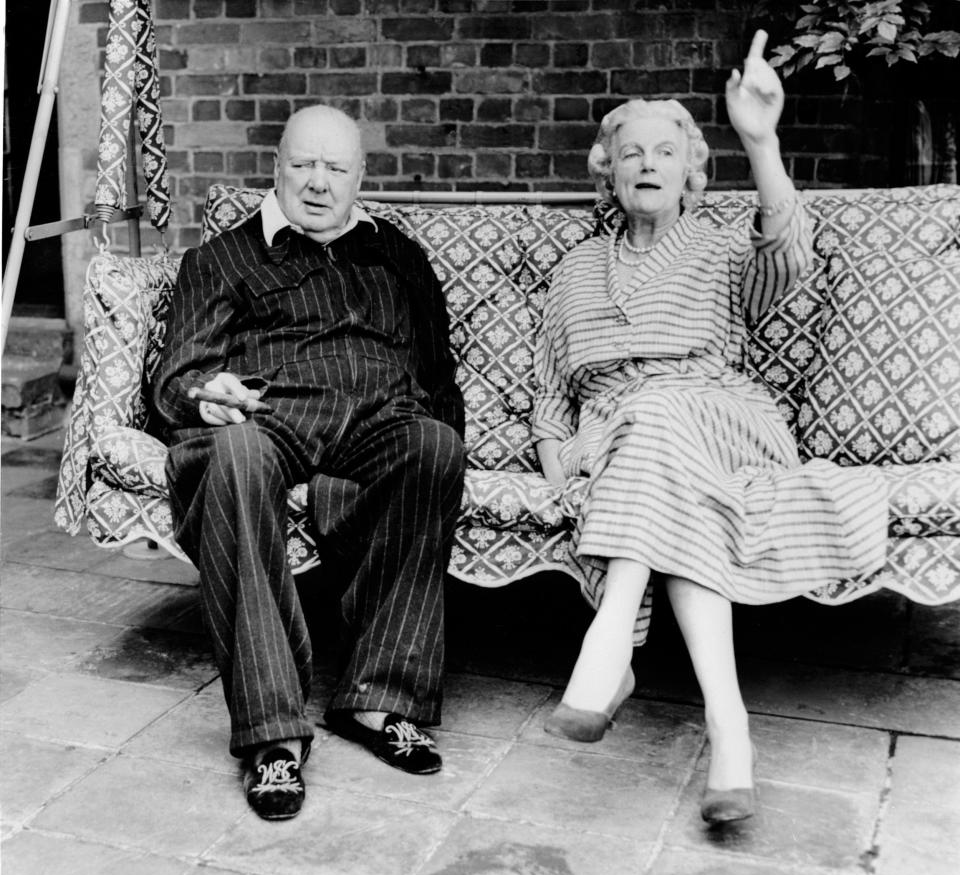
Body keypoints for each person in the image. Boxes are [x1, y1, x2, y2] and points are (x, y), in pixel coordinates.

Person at [532, 31, 887, 824]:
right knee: (658, 461)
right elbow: (552, 395)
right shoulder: (574, 271)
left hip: (725, 418)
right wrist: (561, 458)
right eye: (631, 153)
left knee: (655, 416)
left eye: (666, 151)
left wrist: (760, 140)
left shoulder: (723, 247)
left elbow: (788, 256)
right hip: (628, 444)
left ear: (692, 174)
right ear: (609, 173)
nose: (648, 164)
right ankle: (731, 731)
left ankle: (610, 644)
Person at [154, 104, 466, 821]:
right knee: (230, 457)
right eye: (303, 164)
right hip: (274, 417)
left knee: (436, 445)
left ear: (360, 177)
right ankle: (273, 735)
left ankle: (379, 698)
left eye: (336, 168)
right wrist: (207, 395)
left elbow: (438, 376)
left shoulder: (399, 256)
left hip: (382, 419)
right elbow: (177, 375)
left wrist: (427, 430)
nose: (318, 183)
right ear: (276, 167)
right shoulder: (221, 259)